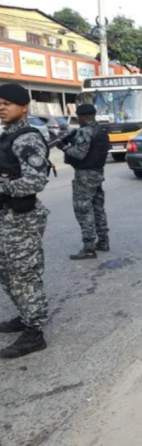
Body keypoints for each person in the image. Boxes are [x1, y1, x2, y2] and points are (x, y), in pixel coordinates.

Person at [0, 83, 51, 359]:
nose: (1, 107)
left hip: (22, 218)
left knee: (23, 273)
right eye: (0, 102)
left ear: (23, 107)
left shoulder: (27, 139)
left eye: (8, 103)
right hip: (7, 216)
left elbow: (35, 181)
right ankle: (25, 314)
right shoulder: (8, 135)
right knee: (7, 272)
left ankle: (35, 332)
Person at [56, 104, 111, 260]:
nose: (77, 119)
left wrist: (65, 148)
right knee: (97, 208)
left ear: (85, 117)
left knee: (83, 209)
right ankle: (103, 241)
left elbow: (79, 154)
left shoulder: (84, 131)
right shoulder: (100, 130)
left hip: (85, 175)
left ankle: (88, 247)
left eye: (78, 117)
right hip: (97, 173)